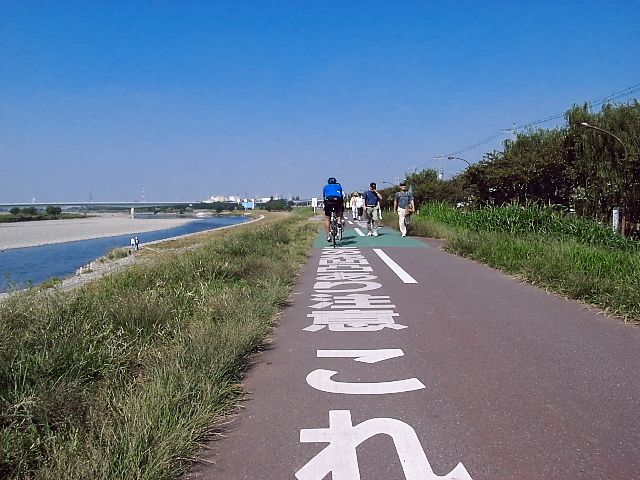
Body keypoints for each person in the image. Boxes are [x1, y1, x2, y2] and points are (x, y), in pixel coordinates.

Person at [323, 177, 345, 242]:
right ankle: (338, 221)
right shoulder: (339, 187)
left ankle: (328, 235)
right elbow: (341, 195)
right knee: (338, 211)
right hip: (337, 200)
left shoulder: (325, 187)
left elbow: (324, 196)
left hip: (329, 201)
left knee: (328, 218)